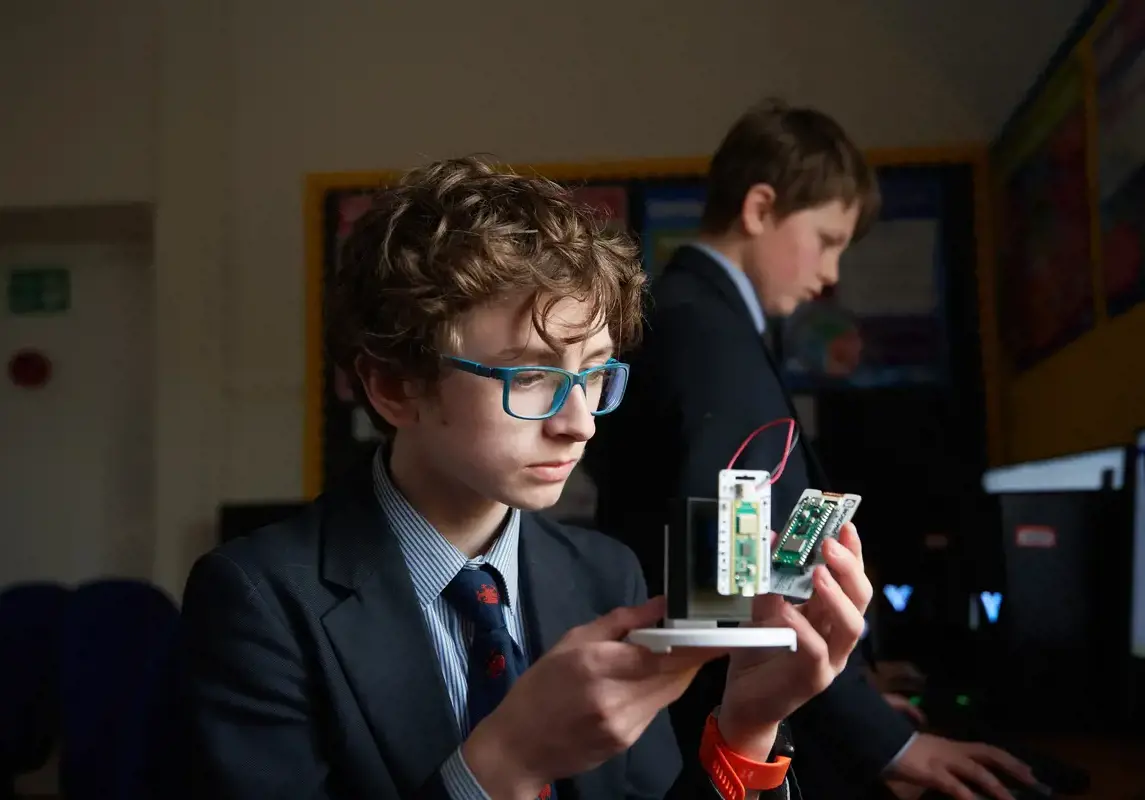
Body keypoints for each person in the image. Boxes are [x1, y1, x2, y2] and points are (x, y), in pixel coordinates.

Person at [178, 156, 876, 799]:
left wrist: (745, 728)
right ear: (394, 387)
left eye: (596, 374)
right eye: (533, 374)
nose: (580, 422)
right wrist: (505, 762)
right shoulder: (258, 602)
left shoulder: (607, 575)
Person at [585, 100, 1037, 800]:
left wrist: (846, 685)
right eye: (826, 239)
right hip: (712, 740)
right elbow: (733, 585)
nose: (830, 274)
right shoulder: (707, 334)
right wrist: (884, 741)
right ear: (760, 208)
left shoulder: (696, 319)